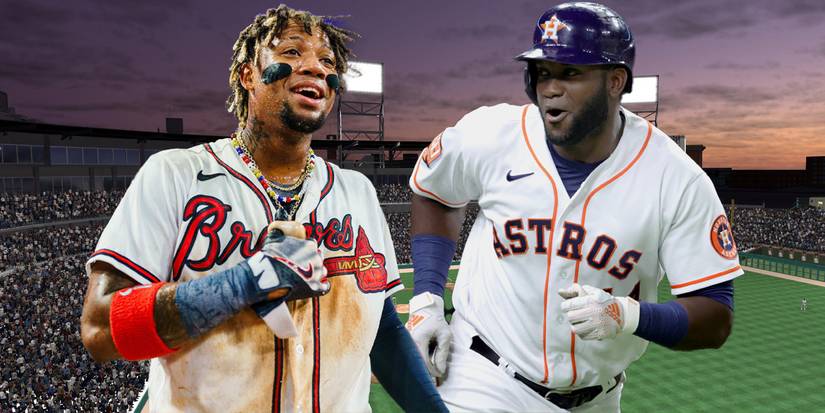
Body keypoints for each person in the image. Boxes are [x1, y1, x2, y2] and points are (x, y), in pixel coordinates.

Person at [80, 5, 445, 413]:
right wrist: (241, 285)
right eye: (291, 52)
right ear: (248, 75)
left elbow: (383, 330)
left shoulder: (357, 191)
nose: (315, 68)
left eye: (327, 62)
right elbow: (99, 331)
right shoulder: (175, 175)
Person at [406, 2, 740, 411]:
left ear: (616, 81)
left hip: (599, 397)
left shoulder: (675, 177)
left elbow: (715, 317)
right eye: (542, 72)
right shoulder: (490, 134)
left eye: (570, 73)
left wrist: (628, 316)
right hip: (485, 376)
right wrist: (426, 300)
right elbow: (433, 192)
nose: (550, 88)